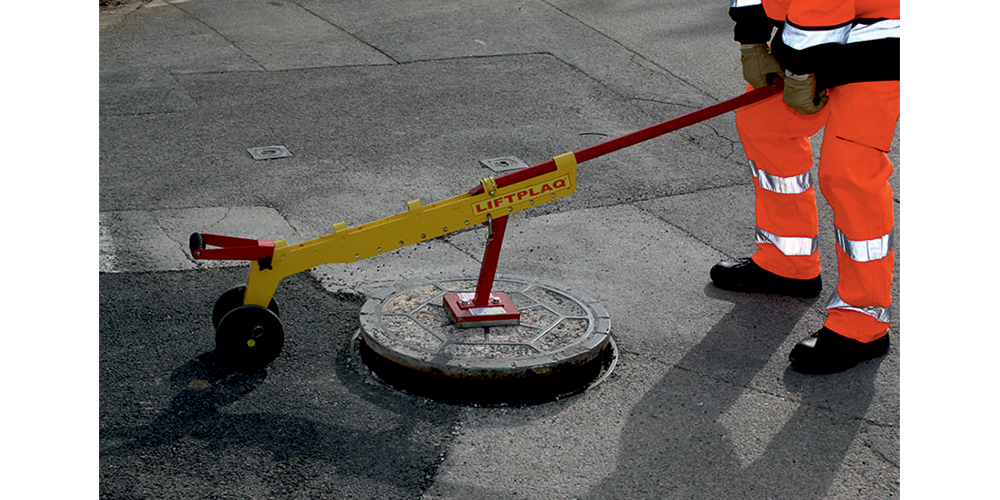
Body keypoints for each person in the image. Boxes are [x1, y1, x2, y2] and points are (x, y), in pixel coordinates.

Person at [716, 0, 900, 374]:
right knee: (764, 124)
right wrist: (752, 37)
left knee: (849, 171)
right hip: (813, 29)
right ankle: (788, 261)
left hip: (884, 35)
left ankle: (863, 320)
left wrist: (800, 68)